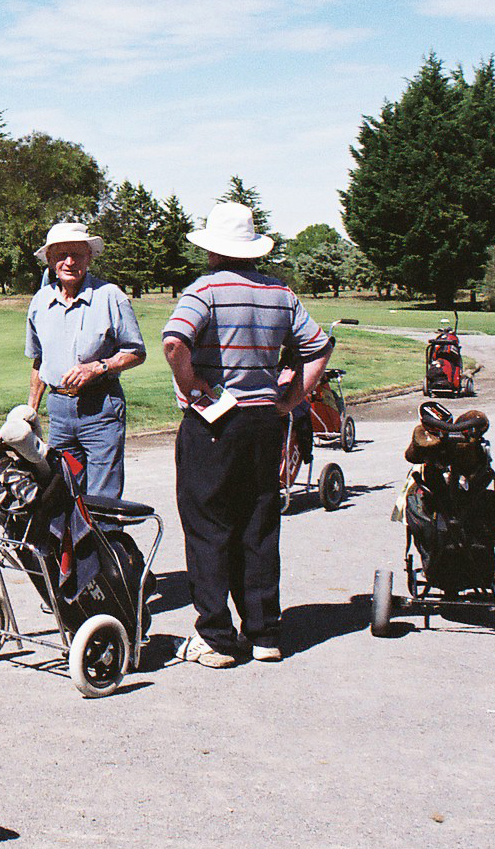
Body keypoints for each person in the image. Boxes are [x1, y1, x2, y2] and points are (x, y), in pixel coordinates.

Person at [161, 202, 332, 669]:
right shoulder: (281, 292)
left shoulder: (205, 289)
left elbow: (175, 342)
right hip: (263, 422)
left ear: (213, 250)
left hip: (215, 420)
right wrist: (293, 398)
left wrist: (189, 384)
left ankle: (215, 637)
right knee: (258, 524)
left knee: (208, 525)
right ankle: (263, 633)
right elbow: (318, 346)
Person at [24, 222, 146, 500]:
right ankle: (73, 544)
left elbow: (136, 352)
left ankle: (104, 543)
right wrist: (31, 411)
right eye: (61, 255)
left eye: (77, 254)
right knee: (65, 486)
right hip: (59, 413)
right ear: (50, 260)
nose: (69, 262)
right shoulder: (40, 301)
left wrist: (98, 367)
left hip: (100, 409)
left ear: (89, 258)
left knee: (102, 495)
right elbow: (39, 360)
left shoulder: (110, 296)